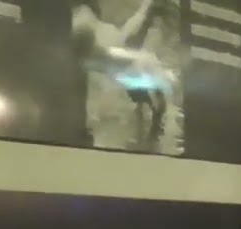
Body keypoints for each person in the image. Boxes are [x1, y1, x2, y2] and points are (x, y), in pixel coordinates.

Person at [70, 0, 171, 149]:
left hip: (126, 63)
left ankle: (152, 120)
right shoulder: (102, 34)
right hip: (125, 62)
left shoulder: (103, 35)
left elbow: (128, 33)